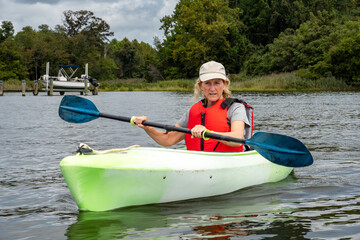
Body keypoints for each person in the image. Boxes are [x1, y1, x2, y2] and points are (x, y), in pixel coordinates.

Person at [132, 60, 253, 152]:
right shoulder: (193, 111)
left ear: (225, 84)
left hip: (227, 162)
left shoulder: (235, 108)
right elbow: (168, 139)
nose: (212, 89)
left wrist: (208, 132)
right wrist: (147, 127)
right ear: (201, 85)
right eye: (207, 83)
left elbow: (237, 139)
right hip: (197, 164)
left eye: (217, 83)